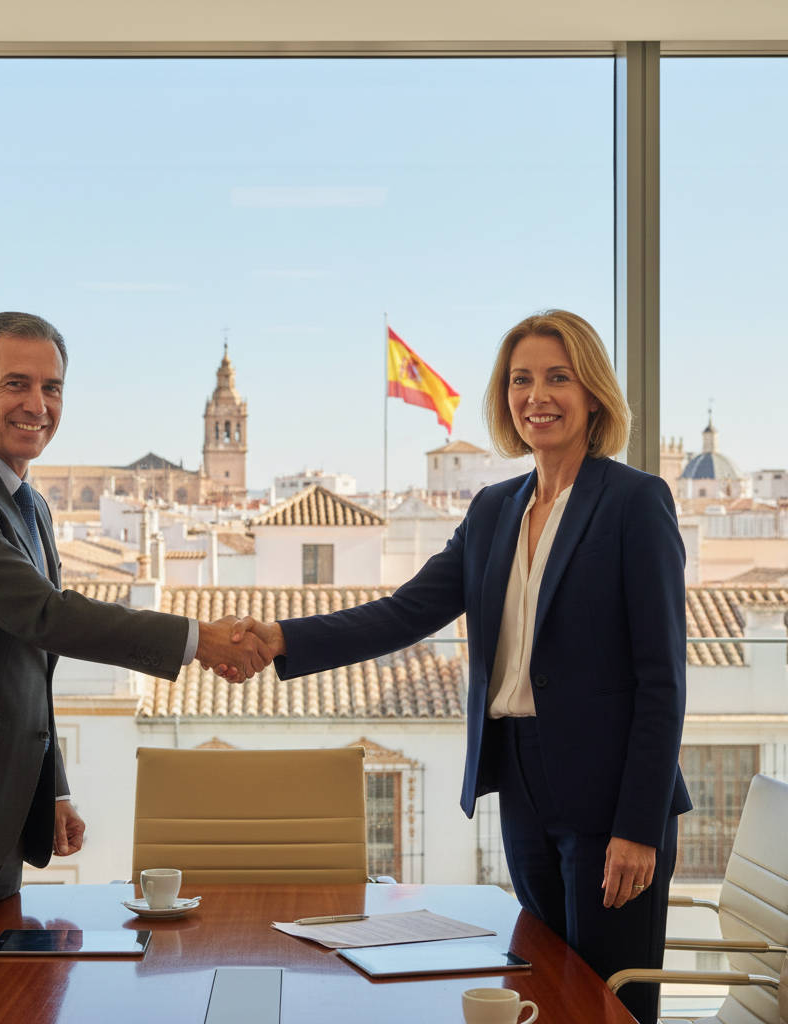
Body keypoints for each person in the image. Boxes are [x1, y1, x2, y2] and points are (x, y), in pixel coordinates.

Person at [227, 310, 690, 1024]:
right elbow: (405, 612)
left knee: (607, 1002)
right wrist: (283, 637)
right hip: (522, 781)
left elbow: (663, 681)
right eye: (520, 380)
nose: (537, 395)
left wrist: (640, 826)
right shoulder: (494, 509)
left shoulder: (634, 502)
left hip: (613, 794)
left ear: (593, 393)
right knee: (545, 983)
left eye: (557, 378)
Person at [0, 311, 270, 988]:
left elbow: (28, 662)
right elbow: (45, 617)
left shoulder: (28, 504)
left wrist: (53, 786)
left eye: (53, 387)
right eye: (16, 384)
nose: (38, 405)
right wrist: (198, 638)